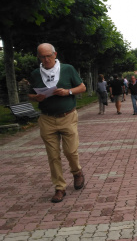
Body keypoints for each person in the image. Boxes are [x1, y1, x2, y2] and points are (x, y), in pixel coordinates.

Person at [28, 43, 86, 203]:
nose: (46, 59)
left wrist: (68, 91)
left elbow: (82, 87)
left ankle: (77, 172)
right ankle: (59, 187)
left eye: (48, 56)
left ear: (55, 54)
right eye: (42, 56)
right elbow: (30, 94)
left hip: (67, 116)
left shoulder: (67, 69)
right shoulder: (35, 74)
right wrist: (35, 97)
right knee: (53, 156)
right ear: (38, 57)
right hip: (47, 118)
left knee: (70, 151)